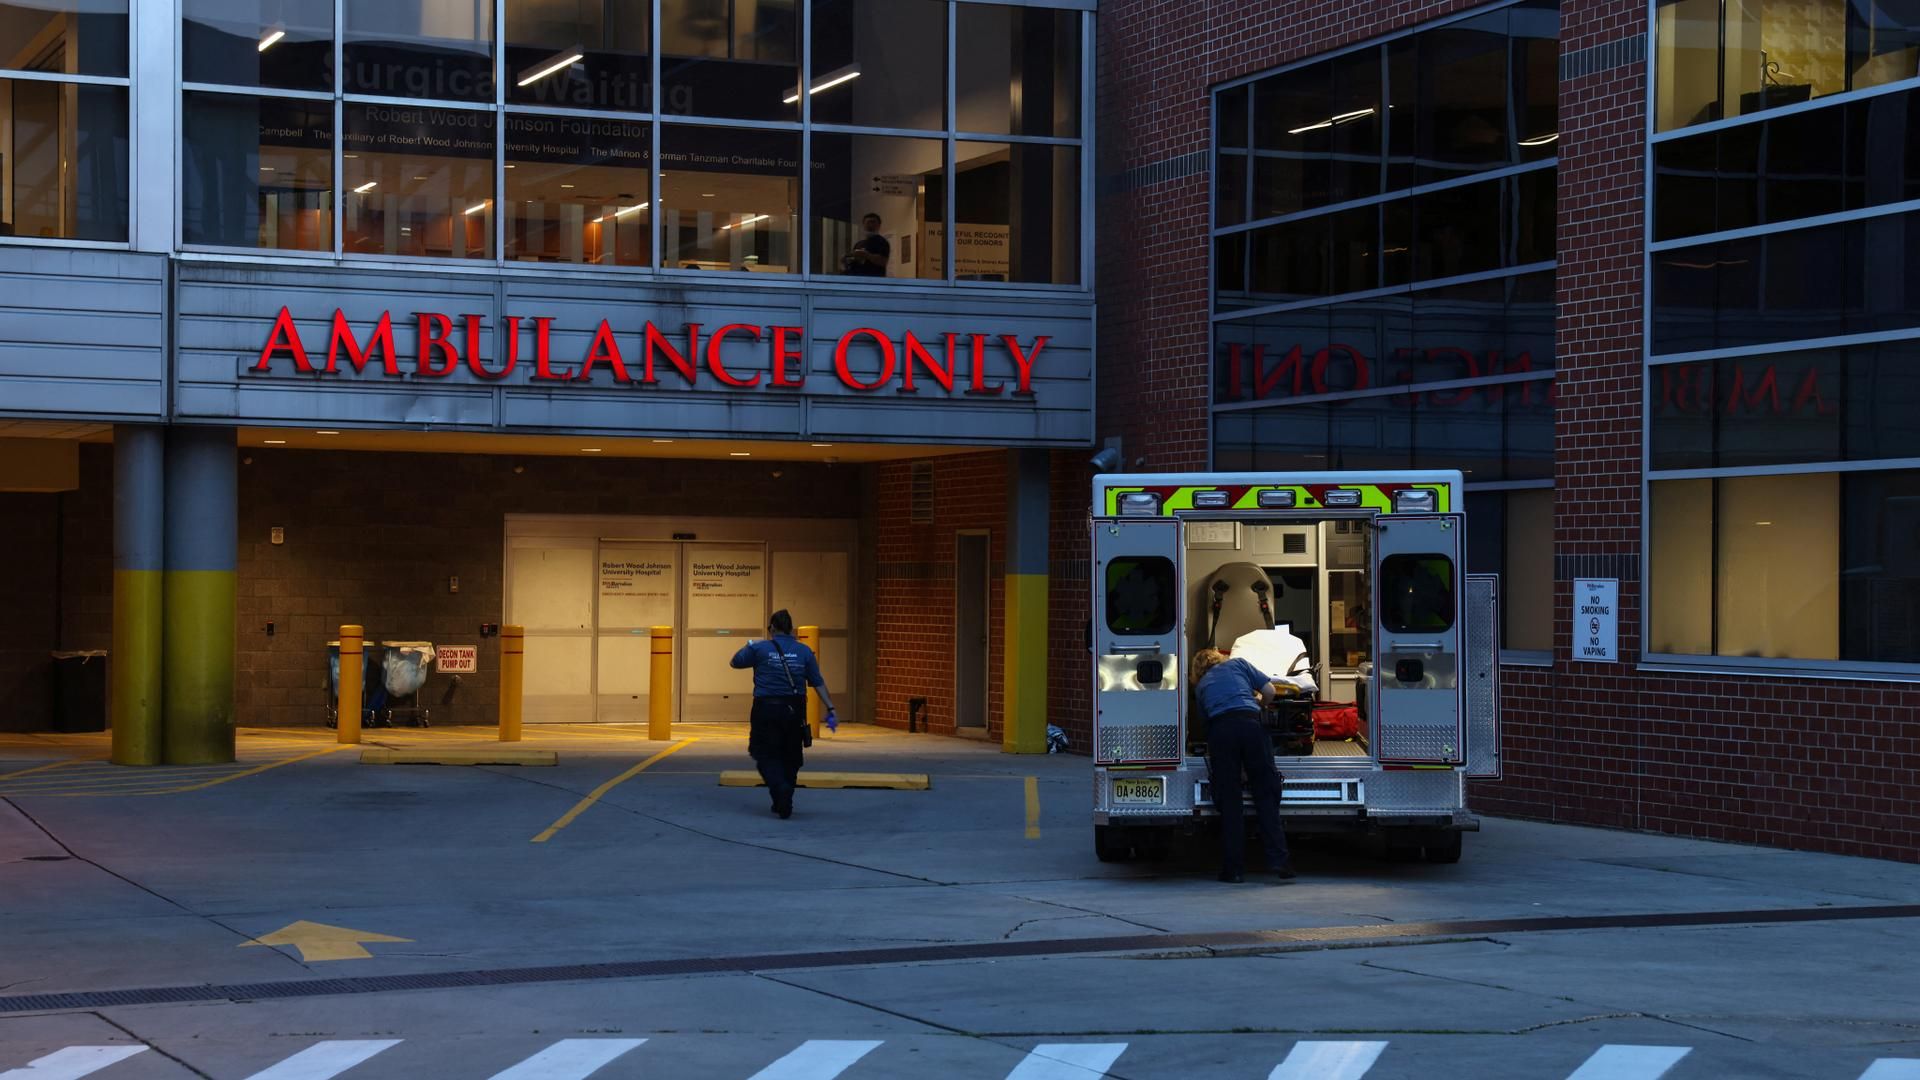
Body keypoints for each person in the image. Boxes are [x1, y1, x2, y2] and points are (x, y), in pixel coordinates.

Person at [1191, 647, 1296, 884]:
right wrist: (1260, 705)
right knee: (1266, 795)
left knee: (1230, 802)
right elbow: (1269, 691)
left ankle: (1234, 870)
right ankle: (1280, 861)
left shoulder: (1201, 686)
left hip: (1221, 731)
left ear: (1197, 670)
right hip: (1251, 726)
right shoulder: (1238, 664)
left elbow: (1204, 723)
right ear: (1219, 658)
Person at [730, 610, 836, 819]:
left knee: (764, 754)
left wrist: (749, 644)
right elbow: (817, 682)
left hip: (766, 708)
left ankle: (780, 789)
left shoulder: (759, 648)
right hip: (794, 710)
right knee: (791, 755)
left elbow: (735, 662)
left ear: (771, 628)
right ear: (791, 628)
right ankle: (783, 799)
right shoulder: (804, 651)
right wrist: (831, 708)